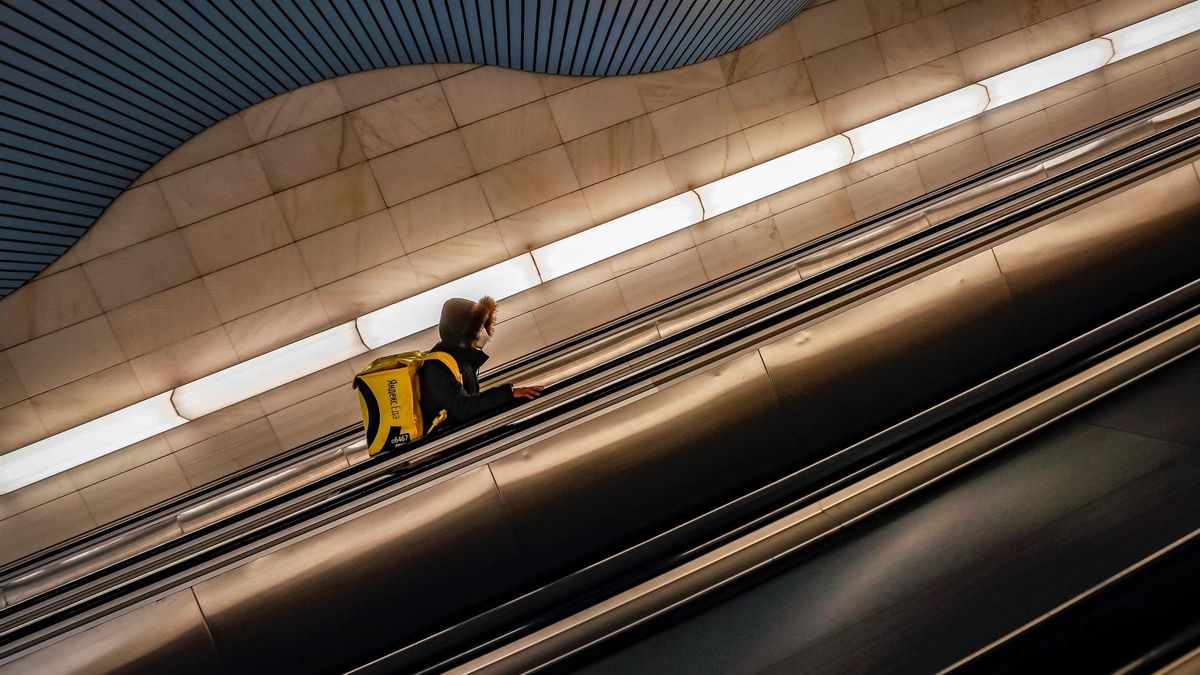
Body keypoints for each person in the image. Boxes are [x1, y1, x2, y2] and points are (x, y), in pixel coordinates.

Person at [419, 295, 543, 432]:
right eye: (479, 326)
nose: (483, 331)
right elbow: (462, 408)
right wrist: (507, 394)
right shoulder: (437, 366)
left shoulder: (460, 360)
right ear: (462, 329)